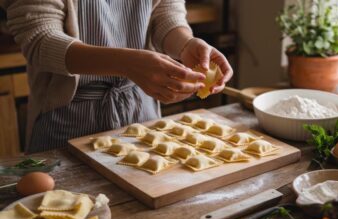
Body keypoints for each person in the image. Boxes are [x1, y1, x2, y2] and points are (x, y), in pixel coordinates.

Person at [1, 0, 233, 153]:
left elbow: (165, 14)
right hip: (66, 122)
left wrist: (186, 44)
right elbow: (41, 40)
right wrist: (126, 64)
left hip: (142, 113)